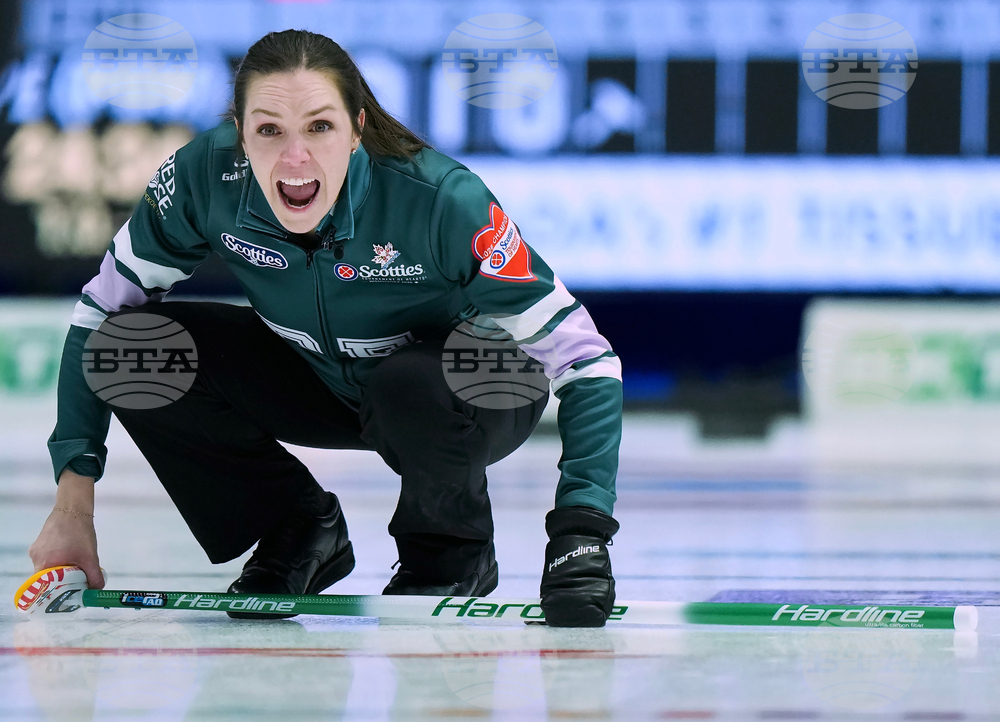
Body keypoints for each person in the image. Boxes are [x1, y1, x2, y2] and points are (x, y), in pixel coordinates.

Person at [27, 30, 623, 626]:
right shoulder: (201, 178)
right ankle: (298, 527)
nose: (295, 159)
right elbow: (101, 314)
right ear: (240, 136)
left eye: (319, 127)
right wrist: (72, 510)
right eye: (268, 130)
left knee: (407, 383)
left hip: (479, 388)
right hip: (325, 378)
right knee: (127, 349)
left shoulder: (442, 200)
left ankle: (447, 554)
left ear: (357, 128)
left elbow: (587, 360)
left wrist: (581, 530)